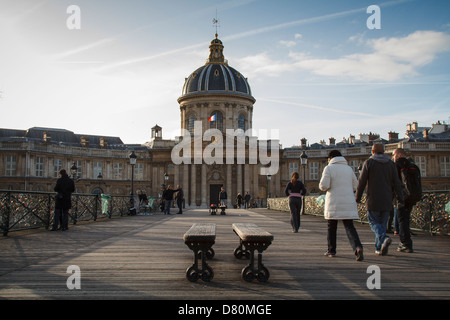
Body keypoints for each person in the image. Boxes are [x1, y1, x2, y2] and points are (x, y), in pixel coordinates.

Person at [356, 143, 404, 255]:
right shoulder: (391, 164)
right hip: (387, 198)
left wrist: (357, 198)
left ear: (372, 151)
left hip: (373, 198)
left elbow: (361, 182)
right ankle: (379, 248)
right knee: (382, 223)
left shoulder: (369, 163)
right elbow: (397, 183)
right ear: (383, 151)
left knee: (373, 223)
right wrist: (400, 198)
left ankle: (383, 238)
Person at [319, 150, 364, 261]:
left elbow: (323, 186)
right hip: (348, 202)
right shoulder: (348, 169)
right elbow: (356, 186)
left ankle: (331, 250)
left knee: (332, 227)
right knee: (349, 227)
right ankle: (357, 247)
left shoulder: (328, 168)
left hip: (333, 202)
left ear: (330, 158)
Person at [393, 148, 416, 253]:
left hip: (401, 196)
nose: (393, 157)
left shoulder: (397, 165)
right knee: (406, 219)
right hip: (411, 196)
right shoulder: (412, 165)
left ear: (399, 155)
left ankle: (405, 243)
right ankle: (407, 242)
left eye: (394, 154)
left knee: (402, 220)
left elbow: (394, 181)